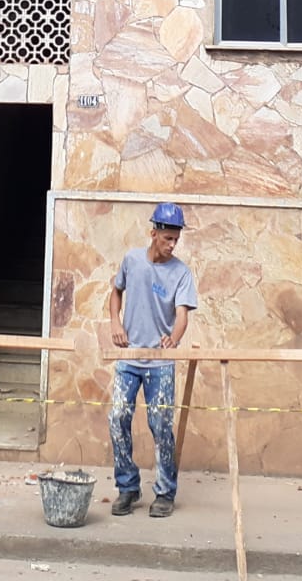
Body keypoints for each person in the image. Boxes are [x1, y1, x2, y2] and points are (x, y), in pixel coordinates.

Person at [107, 202, 198, 519]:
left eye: (176, 239)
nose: (173, 244)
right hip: (130, 359)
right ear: (153, 233)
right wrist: (115, 323)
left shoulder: (181, 273)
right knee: (117, 417)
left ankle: (164, 492)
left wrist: (173, 339)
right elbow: (116, 292)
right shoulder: (132, 261)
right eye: (167, 238)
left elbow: (182, 316)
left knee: (160, 426)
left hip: (160, 363)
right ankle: (128, 487)